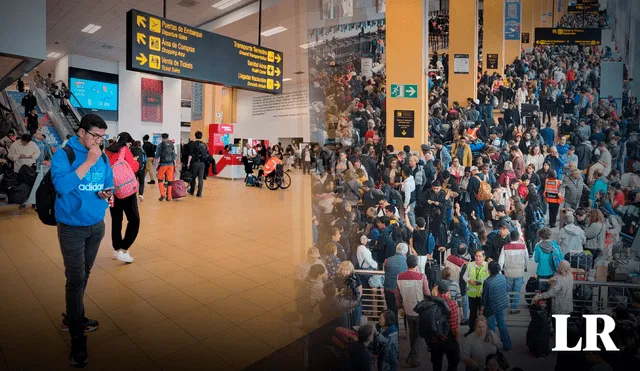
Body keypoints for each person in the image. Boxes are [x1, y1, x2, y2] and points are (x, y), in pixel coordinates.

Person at [50, 114, 113, 367]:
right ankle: (77, 339)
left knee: (84, 274)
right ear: (81, 132)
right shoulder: (64, 155)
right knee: (75, 279)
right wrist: (88, 161)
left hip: (96, 226)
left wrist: (106, 190)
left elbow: (108, 181)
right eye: (95, 135)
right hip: (72, 228)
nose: (99, 141)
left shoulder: (103, 156)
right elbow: (62, 186)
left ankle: (72, 317)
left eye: (103, 136)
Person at [105, 132, 140, 263]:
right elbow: (134, 167)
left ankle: (116, 249)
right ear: (127, 142)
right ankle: (124, 250)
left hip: (112, 191)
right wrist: (135, 162)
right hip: (126, 191)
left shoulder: (107, 151)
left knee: (116, 220)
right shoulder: (124, 150)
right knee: (134, 220)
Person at [394, 254, 431, 368]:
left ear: (407, 264)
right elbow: (427, 293)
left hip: (407, 309)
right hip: (419, 310)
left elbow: (397, 295)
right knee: (420, 335)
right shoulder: (421, 276)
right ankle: (412, 357)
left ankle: (412, 355)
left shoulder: (399, 277)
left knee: (412, 334)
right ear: (417, 264)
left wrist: (400, 306)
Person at [423, 279, 460, 371]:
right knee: (453, 362)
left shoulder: (431, 302)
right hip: (447, 338)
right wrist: (455, 336)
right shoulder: (451, 303)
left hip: (434, 338)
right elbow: (453, 325)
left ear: (437, 289)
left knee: (436, 363)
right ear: (448, 290)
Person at [480, 261, 512, 351]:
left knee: (491, 328)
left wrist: (481, 310)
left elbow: (484, 298)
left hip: (491, 308)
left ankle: (493, 348)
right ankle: (508, 345)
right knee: (502, 324)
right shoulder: (502, 277)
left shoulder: (487, 282)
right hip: (502, 305)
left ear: (489, 270)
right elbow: (508, 288)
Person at [498, 230, 528, 314]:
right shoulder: (523, 246)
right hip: (519, 272)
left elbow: (501, 261)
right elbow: (526, 259)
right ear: (518, 237)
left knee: (510, 290)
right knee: (517, 290)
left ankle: (512, 303)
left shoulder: (505, 247)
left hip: (508, 272)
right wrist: (526, 266)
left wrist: (500, 271)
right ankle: (514, 307)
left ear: (510, 237)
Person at [463, 250, 489, 335]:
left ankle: (484, 331)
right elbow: (464, 276)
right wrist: (469, 280)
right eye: (476, 256)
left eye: (480, 256)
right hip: (472, 294)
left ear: (484, 257)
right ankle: (472, 330)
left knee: (484, 314)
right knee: (473, 314)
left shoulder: (487, 265)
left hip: (483, 295)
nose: (477, 258)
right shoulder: (470, 264)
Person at [383, 243, 409, 317]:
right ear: (405, 252)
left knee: (391, 312)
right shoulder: (407, 261)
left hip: (389, 289)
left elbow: (386, 270)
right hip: (402, 290)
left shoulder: (387, 260)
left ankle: (394, 327)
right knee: (405, 311)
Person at [155, 133, 175, 201]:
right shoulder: (172, 144)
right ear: (168, 137)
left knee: (160, 179)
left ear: (162, 138)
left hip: (163, 164)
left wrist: (156, 165)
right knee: (170, 180)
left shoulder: (160, 145)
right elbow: (174, 156)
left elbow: (157, 156)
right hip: (171, 164)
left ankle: (162, 194)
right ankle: (169, 196)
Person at [187, 131, 208, 197]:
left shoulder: (193, 144)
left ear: (195, 136)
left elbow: (190, 154)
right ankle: (199, 193)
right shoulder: (204, 144)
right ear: (201, 136)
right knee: (200, 179)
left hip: (195, 163)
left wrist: (188, 163)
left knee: (193, 177)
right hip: (202, 164)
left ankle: (192, 191)